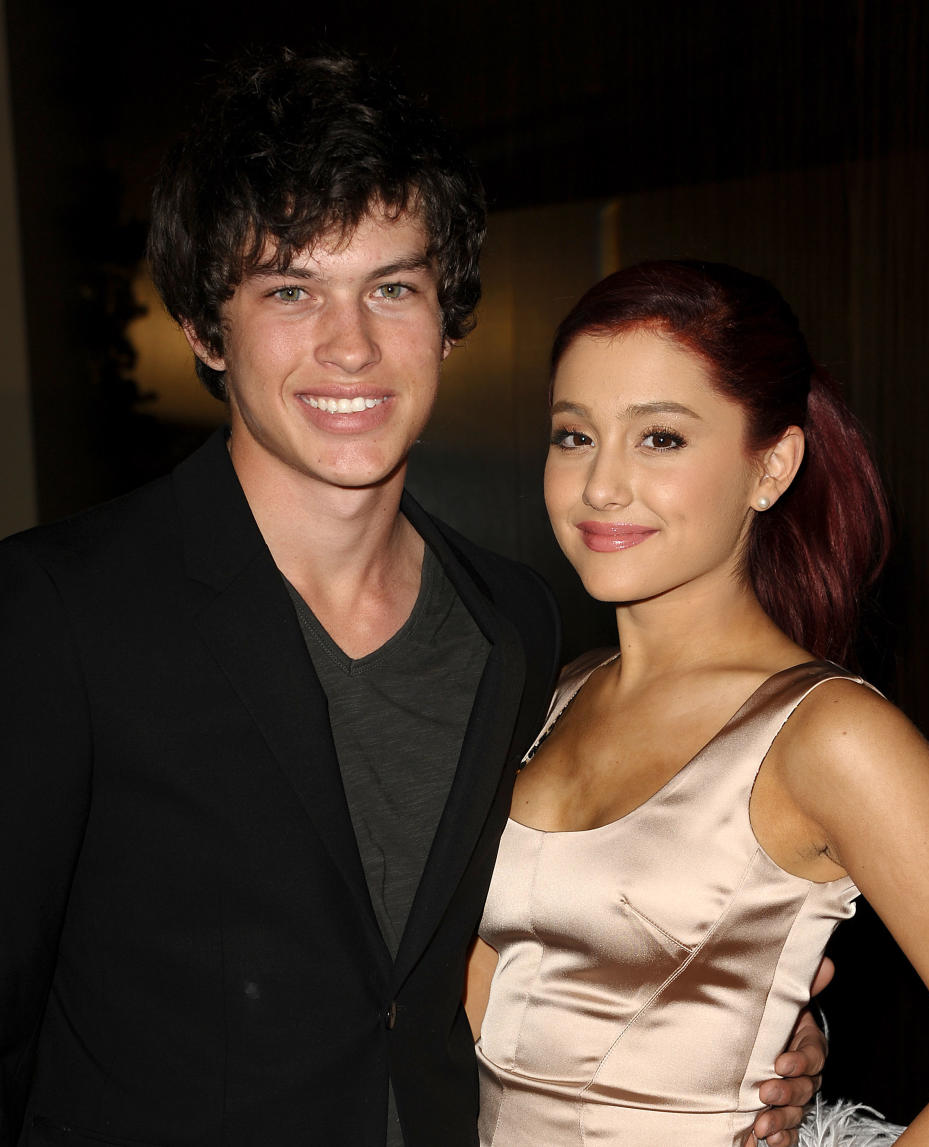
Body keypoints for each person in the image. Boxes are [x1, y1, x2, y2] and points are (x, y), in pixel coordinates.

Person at [0, 50, 821, 1147]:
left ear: (448, 317)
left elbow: (540, 936)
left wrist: (756, 1027)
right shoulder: (58, 610)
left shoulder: (517, 622)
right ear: (207, 328)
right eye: (291, 290)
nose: (352, 345)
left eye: (393, 287)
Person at [466, 261, 929, 1145]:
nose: (601, 486)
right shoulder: (550, 693)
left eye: (660, 438)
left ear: (771, 466)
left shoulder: (831, 734)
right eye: (574, 435)